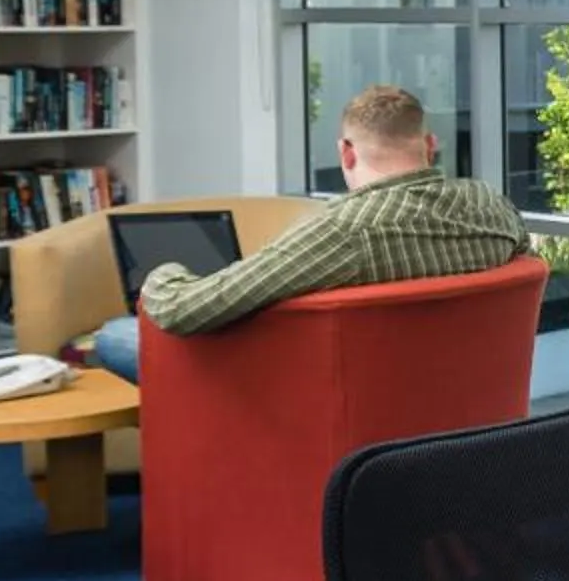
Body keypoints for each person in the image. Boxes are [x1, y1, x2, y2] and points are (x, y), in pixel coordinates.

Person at [92, 84, 529, 382]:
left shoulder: (343, 230)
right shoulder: (489, 203)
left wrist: (160, 274)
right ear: (430, 145)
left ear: (345, 151)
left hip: (318, 390)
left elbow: (186, 311)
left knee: (115, 333)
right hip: (452, 389)